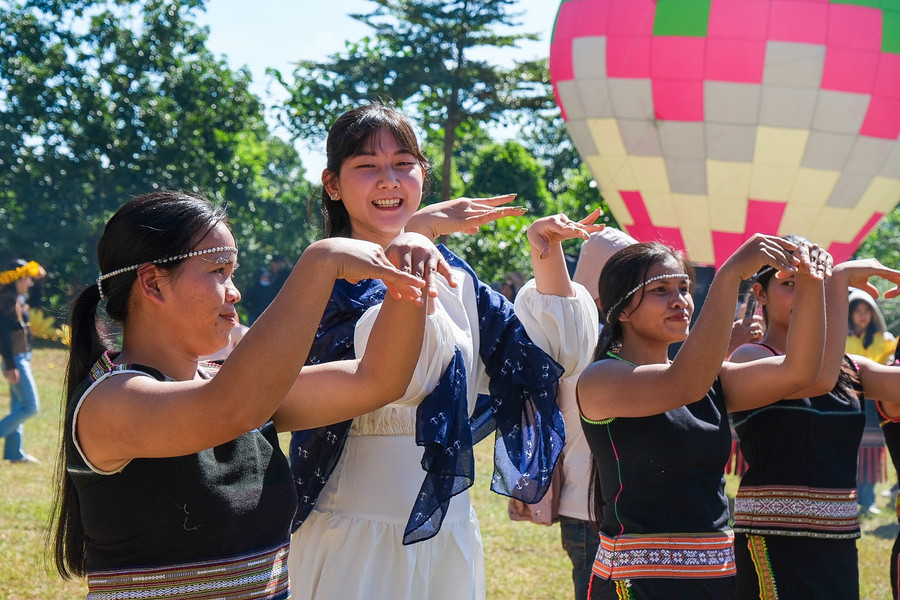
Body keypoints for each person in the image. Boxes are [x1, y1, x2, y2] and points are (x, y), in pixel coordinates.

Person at [48, 190, 451, 599]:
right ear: (152, 283)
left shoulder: (238, 390)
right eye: (218, 271)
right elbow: (230, 409)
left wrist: (409, 261)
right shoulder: (110, 400)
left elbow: (377, 380)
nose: (234, 292)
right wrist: (320, 262)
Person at [287, 103, 601, 600]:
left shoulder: (458, 279)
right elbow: (391, 371)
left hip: (449, 528)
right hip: (355, 533)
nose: (389, 181)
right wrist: (417, 236)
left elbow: (543, 360)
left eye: (403, 164)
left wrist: (544, 251)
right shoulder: (327, 277)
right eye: (367, 166)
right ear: (333, 184)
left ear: (423, 176)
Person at [577, 235, 830, 600]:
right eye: (661, 290)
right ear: (620, 310)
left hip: (717, 579)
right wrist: (730, 275)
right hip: (640, 586)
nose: (680, 301)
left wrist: (812, 283)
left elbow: (802, 372)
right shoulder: (601, 379)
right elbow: (682, 383)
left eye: (683, 287)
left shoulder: (709, 381)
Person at [730, 254, 900, 600]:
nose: (809, 294)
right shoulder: (750, 357)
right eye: (791, 284)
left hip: (838, 544)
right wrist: (837, 282)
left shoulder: (850, 366)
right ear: (760, 293)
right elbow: (811, 377)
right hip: (773, 543)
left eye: (816, 285)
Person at [846, 289, 896, 513]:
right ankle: (848, 499)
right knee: (849, 450)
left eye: (867, 310)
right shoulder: (841, 337)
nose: (863, 315)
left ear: (873, 313)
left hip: (876, 405)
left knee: (872, 452)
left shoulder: (884, 340)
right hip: (848, 399)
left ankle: (868, 500)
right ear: (850, 314)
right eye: (858, 311)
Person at [0, 258, 46, 463]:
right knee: (30, 407)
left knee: (18, 407)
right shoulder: (6, 302)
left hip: (23, 357)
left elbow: (36, 303)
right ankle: (14, 453)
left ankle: (14, 453)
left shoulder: (17, 298)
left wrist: (41, 281)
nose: (29, 282)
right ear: (16, 279)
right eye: (27, 278)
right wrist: (10, 365)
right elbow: (2, 335)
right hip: (16, 360)